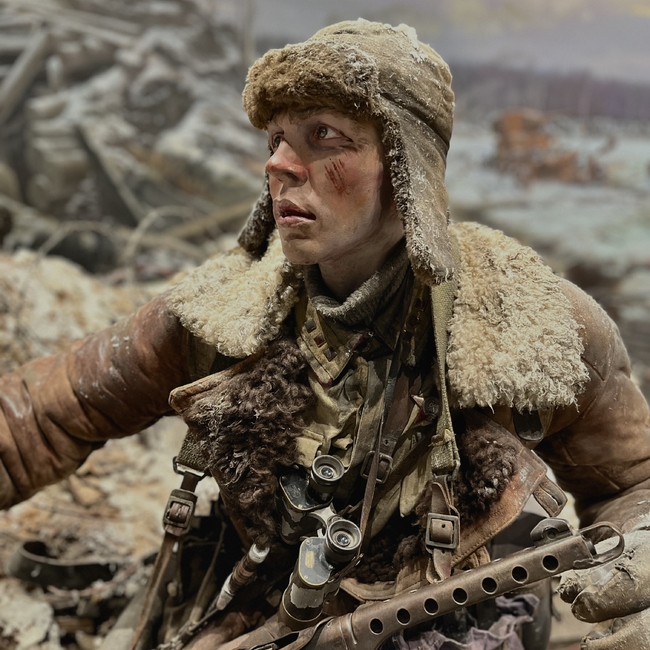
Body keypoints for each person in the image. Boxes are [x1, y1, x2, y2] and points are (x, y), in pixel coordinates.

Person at [1, 19, 649, 650]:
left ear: (405, 166)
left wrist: (638, 564)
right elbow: (44, 415)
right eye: (277, 138)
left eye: (324, 135)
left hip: (456, 620)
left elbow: (635, 483)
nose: (280, 164)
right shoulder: (224, 313)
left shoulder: (530, 323)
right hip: (258, 603)